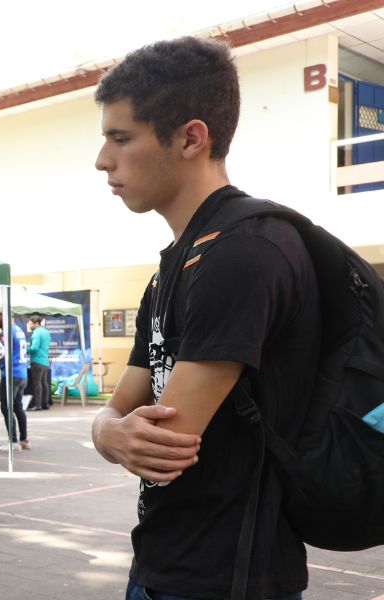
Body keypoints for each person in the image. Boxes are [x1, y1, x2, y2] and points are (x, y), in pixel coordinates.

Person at [90, 37, 319, 600]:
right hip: (163, 560)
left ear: (191, 137)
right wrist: (108, 432)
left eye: (121, 138)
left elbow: (163, 446)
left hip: (229, 578)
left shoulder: (245, 251)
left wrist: (115, 435)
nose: (103, 160)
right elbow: (118, 412)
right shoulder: (175, 265)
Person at [0, 316, 30, 453]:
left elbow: (0, 351)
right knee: (18, 407)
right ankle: (24, 439)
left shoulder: (6, 332)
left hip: (11, 374)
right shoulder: (19, 329)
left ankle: (13, 442)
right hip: (22, 373)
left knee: (6, 407)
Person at [25, 314, 52, 410]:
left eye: (30, 323)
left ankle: (38, 405)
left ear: (36, 323)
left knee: (37, 383)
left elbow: (34, 348)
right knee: (44, 383)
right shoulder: (45, 332)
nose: (29, 325)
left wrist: (24, 351)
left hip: (37, 361)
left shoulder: (36, 333)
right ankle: (45, 403)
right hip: (45, 361)